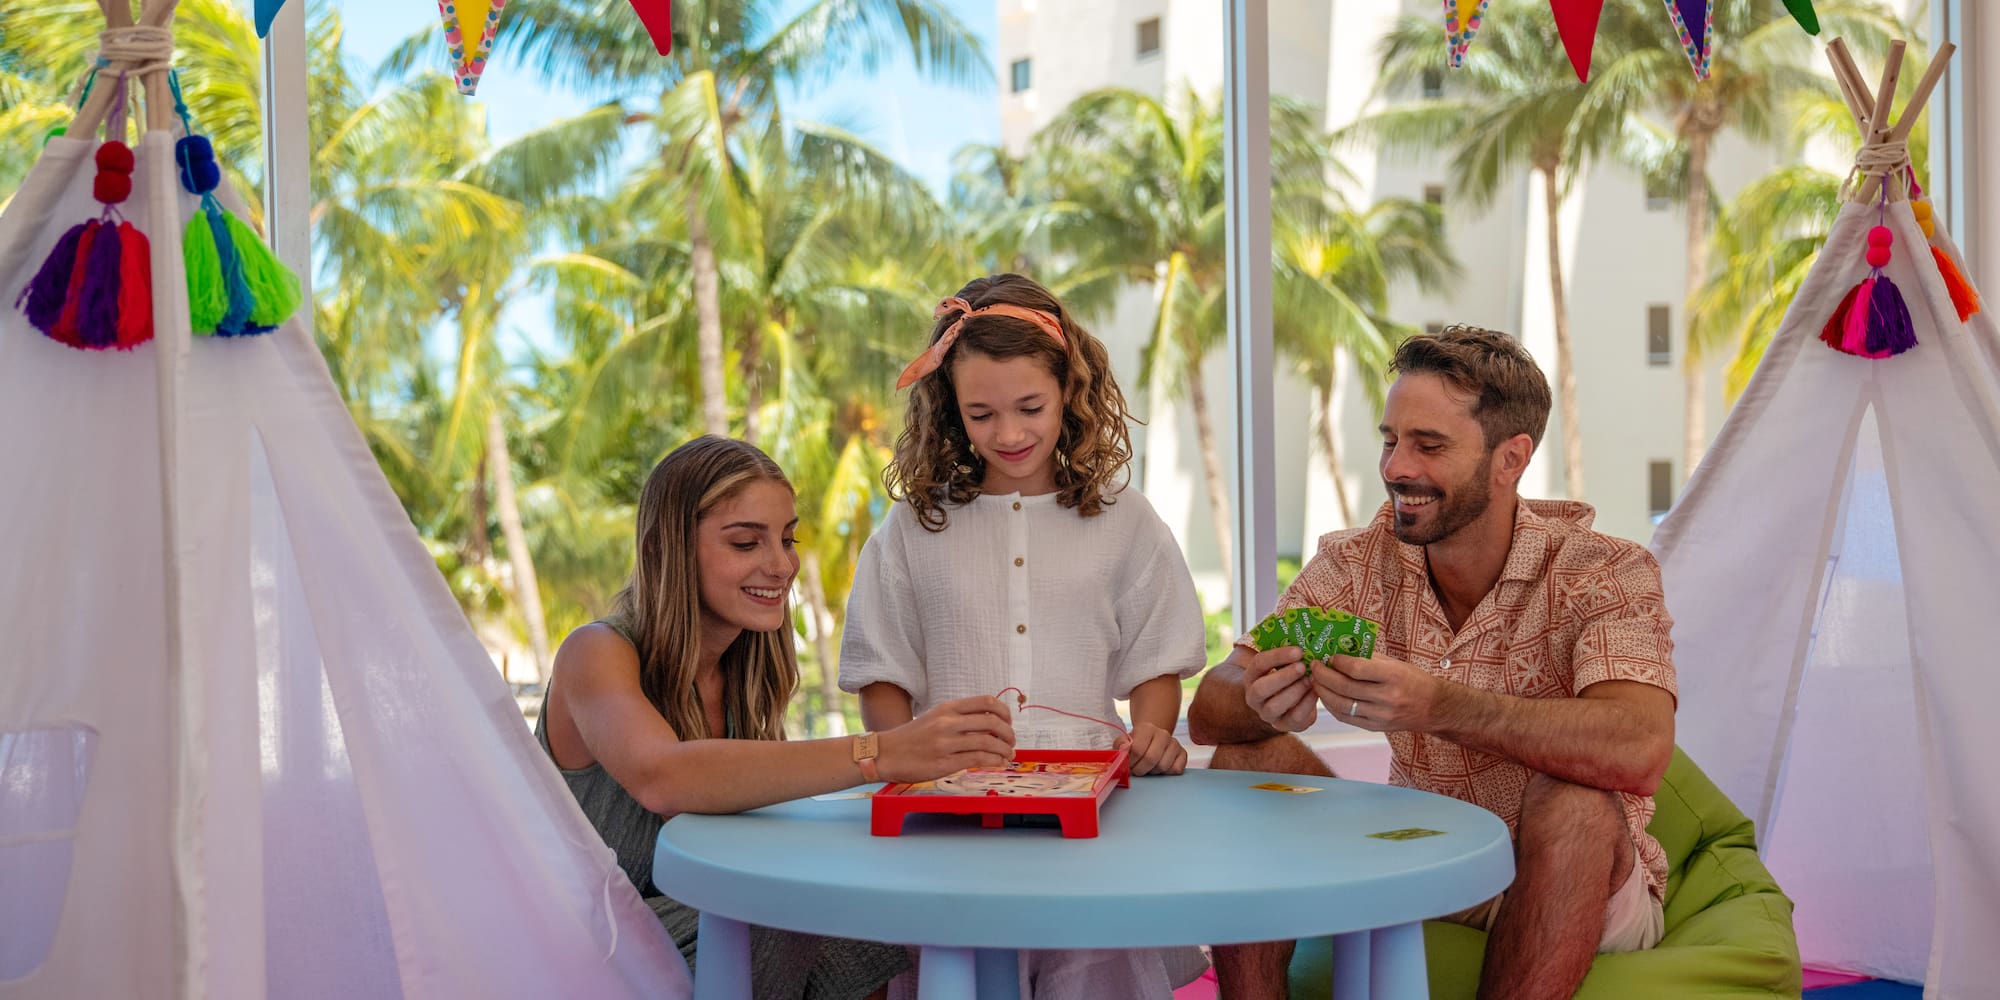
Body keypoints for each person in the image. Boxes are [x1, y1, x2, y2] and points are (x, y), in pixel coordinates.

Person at [1188, 326, 1678, 1000]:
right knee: (1248, 760)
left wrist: (1441, 706)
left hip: (1571, 876)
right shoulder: (1359, 560)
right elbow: (1210, 709)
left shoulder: (1605, 571)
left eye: (1430, 445)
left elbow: (1641, 749)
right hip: (1417, 856)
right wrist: (1258, 695)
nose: (1396, 468)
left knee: (1575, 801)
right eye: (1391, 440)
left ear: (1510, 459)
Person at [536, 435, 1017, 1000]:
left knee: (852, 924)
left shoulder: (747, 667)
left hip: (681, 921)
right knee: (780, 913)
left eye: (787, 538)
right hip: (584, 946)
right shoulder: (596, 653)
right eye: (746, 543)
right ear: (666, 548)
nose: (781, 564)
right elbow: (663, 777)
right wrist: (878, 752)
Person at [838, 274, 1210, 997]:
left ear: (1069, 389)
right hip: (948, 833)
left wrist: (1155, 734)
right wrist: (899, 767)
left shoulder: (1125, 519)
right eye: (981, 414)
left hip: (1092, 833)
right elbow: (883, 673)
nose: (1008, 434)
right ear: (950, 408)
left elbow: (1155, 661)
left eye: (1029, 407)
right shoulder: (913, 528)